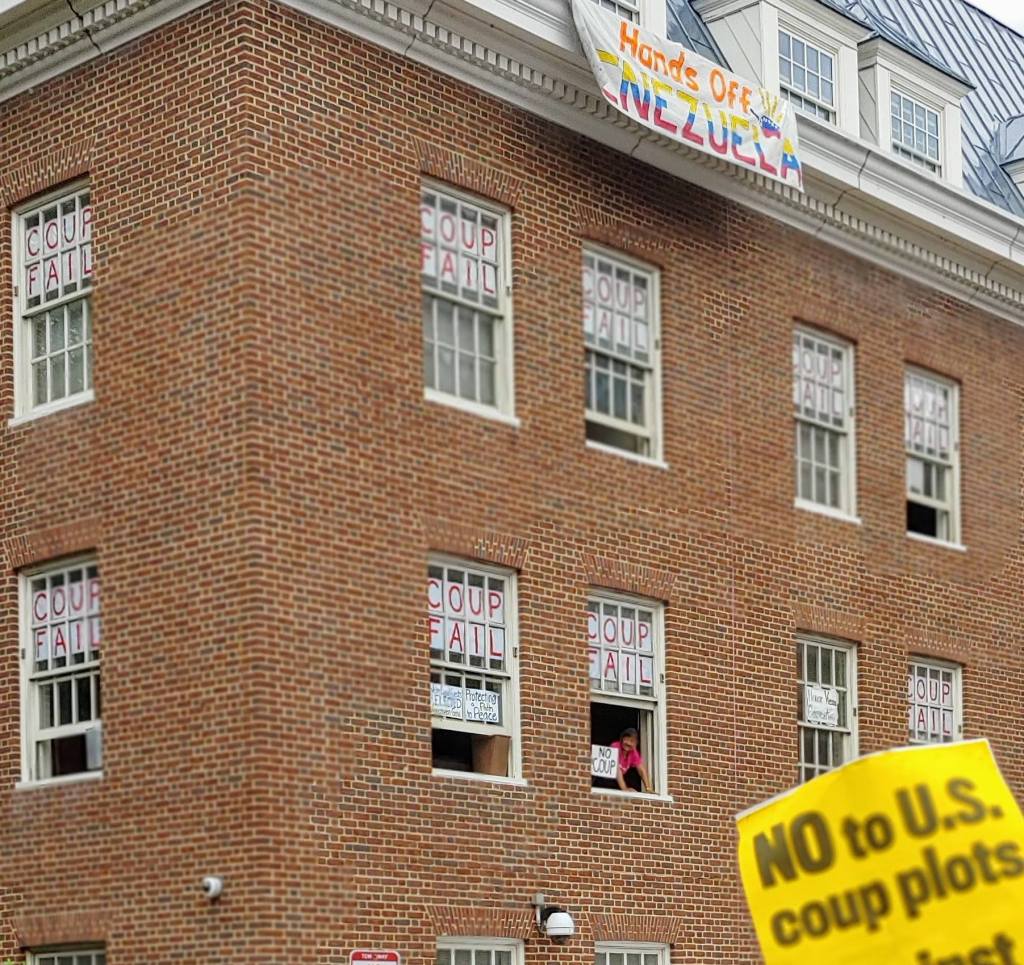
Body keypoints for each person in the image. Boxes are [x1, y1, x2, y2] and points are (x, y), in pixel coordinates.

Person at [611, 727, 652, 793]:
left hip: (617, 783)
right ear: (622, 739)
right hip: (604, 782)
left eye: (632, 741)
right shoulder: (615, 746)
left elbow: (641, 770)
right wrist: (625, 788)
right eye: (626, 739)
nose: (628, 743)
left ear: (636, 744)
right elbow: (616, 769)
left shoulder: (633, 752)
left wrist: (648, 789)